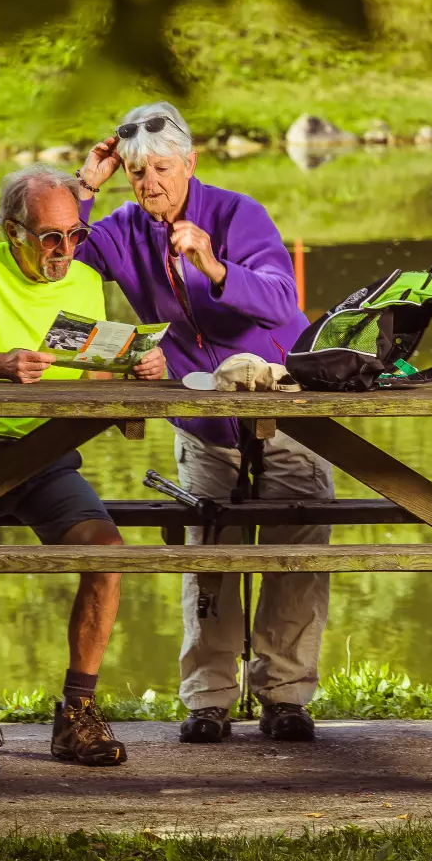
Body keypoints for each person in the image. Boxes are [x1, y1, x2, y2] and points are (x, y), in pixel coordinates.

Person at [76, 102, 334, 744]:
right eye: (136, 173)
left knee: (294, 555)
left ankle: (286, 697)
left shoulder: (237, 214)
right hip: (204, 422)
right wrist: (85, 185)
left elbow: (281, 301)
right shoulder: (124, 229)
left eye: (161, 168)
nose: (149, 183)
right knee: (208, 559)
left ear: (190, 163)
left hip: (286, 411)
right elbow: (56, 257)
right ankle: (210, 700)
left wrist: (216, 266)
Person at [0, 165, 165, 777]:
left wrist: (136, 364)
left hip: (45, 456)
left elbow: (91, 374)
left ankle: (76, 715)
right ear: (12, 228)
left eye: (76, 235)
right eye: (52, 237)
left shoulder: (82, 281)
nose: (66, 251)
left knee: (107, 553)